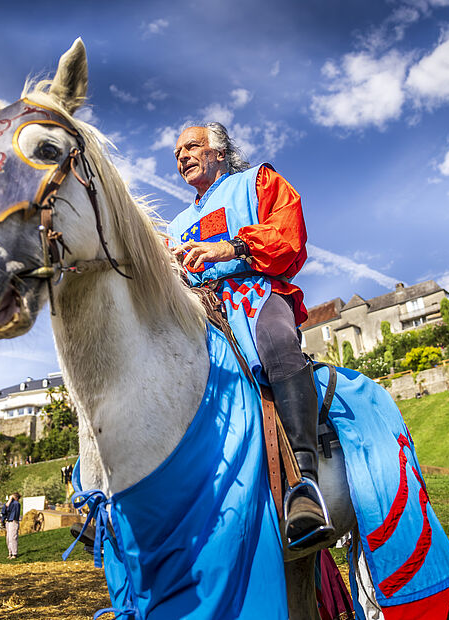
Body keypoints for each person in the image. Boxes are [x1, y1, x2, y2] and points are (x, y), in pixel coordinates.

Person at [168, 123, 331, 545]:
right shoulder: (177, 223)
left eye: (191, 147)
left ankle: (305, 483)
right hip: (198, 312)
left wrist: (233, 248)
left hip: (254, 293)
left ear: (219, 152)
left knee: (278, 342)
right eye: (177, 153)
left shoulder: (256, 181)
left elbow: (289, 234)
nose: (182, 156)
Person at [4, 492, 21, 559]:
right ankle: (10, 552)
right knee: (8, 538)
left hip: (13, 521)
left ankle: (14, 553)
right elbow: (6, 507)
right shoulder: (11, 503)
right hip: (8, 521)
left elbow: (7, 507)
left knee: (13, 537)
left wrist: (10, 499)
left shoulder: (16, 504)